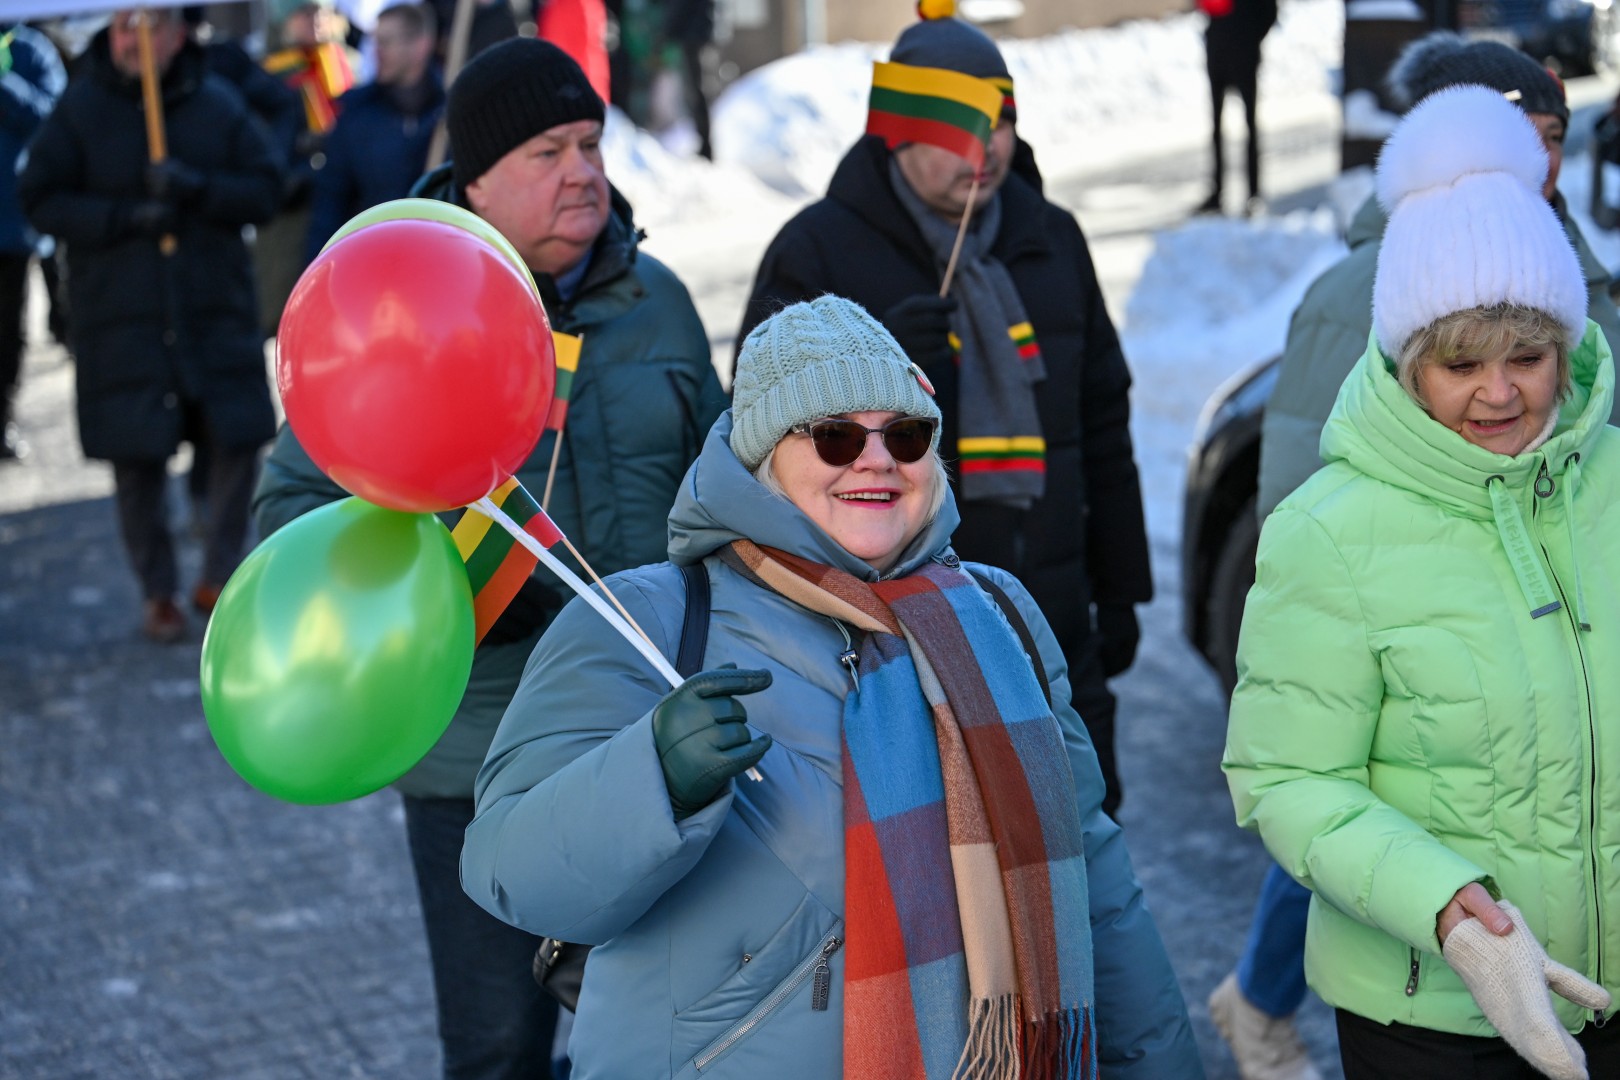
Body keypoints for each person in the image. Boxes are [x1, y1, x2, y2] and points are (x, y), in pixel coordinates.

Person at [459, 294, 1203, 1078]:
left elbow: (1096, 886)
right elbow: (508, 869)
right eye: (835, 435)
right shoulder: (646, 619)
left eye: (905, 435)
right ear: (762, 459)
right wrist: (653, 779)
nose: (876, 460)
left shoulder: (997, 613)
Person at [254, 37, 725, 1080]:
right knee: (497, 1049)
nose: (582, 171)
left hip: (647, 743)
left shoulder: (658, 302)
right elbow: (292, 515)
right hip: (476, 761)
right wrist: (452, 587)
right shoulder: (394, 305)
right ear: (474, 182)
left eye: (591, 144)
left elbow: (727, 490)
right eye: (546, 152)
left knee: (666, 1039)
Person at [1212, 37, 1620, 1080]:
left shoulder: (1615, 485)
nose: (1500, 391)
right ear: (1408, 363)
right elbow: (1288, 776)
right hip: (1432, 1022)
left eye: (1528, 355)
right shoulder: (1331, 531)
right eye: (1462, 363)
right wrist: (1446, 910)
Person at [738, 11, 1150, 819]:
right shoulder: (817, 251)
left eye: (999, 121)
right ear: (897, 132)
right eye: (957, 124)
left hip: (1050, 619)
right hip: (893, 643)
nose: (985, 146)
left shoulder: (1051, 240)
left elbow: (1102, 421)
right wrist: (882, 367)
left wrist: (1121, 588)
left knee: (1075, 835)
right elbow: (762, 447)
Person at [18, 7, 282, 642]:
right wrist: (124, 217)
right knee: (136, 461)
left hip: (210, 309)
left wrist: (196, 189)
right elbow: (41, 198)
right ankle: (157, 592)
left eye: (149, 26)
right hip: (122, 318)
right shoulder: (82, 108)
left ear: (176, 35)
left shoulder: (215, 102)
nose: (131, 40)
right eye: (121, 27)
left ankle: (219, 571)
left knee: (237, 439)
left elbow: (265, 187)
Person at [304, 1, 442, 263]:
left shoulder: (448, 115)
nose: (377, 51)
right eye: (375, 41)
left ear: (420, 45)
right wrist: (319, 266)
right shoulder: (355, 117)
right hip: (371, 261)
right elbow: (330, 202)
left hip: (438, 261)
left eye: (386, 42)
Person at [0, 21, 67, 461]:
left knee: (6, 330)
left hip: (11, 224)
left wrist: (4, 84)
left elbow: (52, 118)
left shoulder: (32, 50)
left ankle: (2, 417)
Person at [1196, 0, 1276, 216]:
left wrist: (1250, 38)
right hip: (1218, 51)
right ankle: (1217, 191)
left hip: (1244, 53)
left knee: (1249, 125)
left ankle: (1253, 192)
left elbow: (1269, 12)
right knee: (1216, 126)